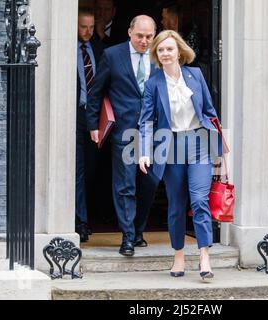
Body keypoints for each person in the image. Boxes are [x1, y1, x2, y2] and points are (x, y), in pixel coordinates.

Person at [138, 30, 223, 280]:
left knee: (199, 200)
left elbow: (209, 110)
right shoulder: (153, 83)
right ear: (157, 54)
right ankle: (178, 256)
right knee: (176, 205)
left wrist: (215, 141)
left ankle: (205, 255)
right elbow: (146, 122)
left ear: (179, 51)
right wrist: (144, 152)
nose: (165, 53)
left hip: (199, 144)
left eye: (169, 49)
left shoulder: (195, 75)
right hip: (171, 147)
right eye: (161, 50)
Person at [86, 15, 159, 257]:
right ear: (129, 32)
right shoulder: (112, 55)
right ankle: (127, 237)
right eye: (140, 36)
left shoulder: (160, 55)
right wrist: (93, 123)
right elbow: (96, 91)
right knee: (125, 183)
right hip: (125, 130)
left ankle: (138, 231)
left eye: (149, 36)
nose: (144, 41)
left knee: (151, 181)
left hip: (154, 130)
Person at [76, 10, 104, 242]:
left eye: (91, 26)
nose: (87, 31)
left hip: (95, 116)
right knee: (78, 169)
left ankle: (89, 215)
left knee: (92, 168)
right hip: (75, 114)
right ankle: (80, 221)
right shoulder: (68, 48)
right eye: (83, 26)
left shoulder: (98, 49)